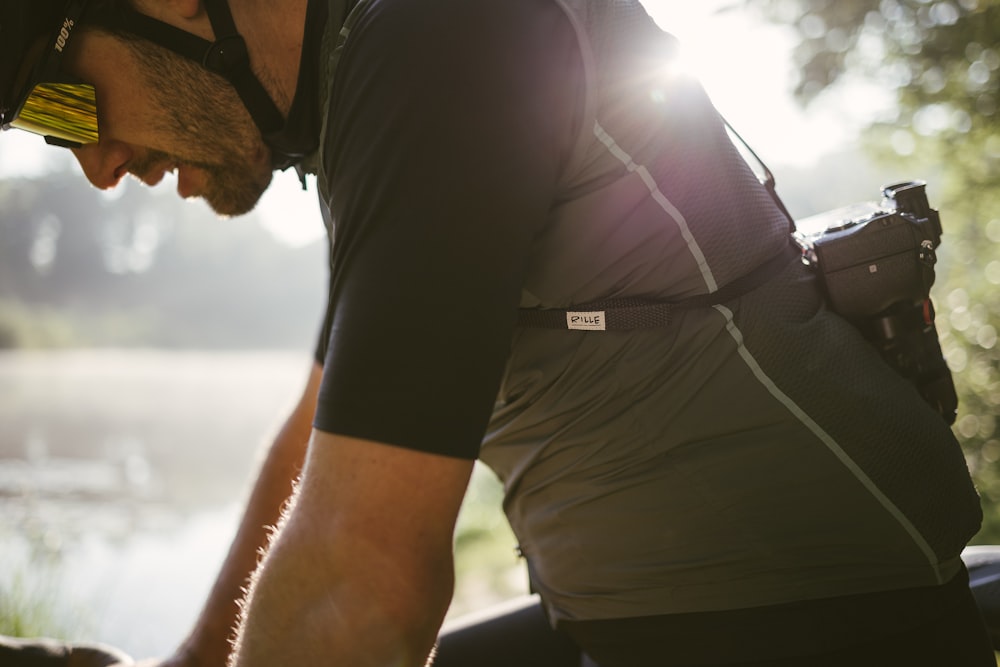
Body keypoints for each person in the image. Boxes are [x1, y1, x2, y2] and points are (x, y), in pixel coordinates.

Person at [0, 0, 995, 665]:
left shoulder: (438, 38)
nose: (93, 164)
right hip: (648, 616)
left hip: (821, 631)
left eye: (61, 99)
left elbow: (364, 581)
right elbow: (324, 426)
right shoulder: (370, 77)